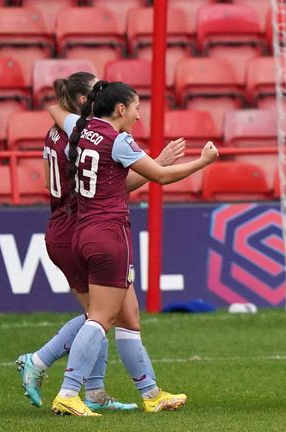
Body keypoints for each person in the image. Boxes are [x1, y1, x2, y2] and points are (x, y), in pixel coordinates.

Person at [46, 80, 218, 416]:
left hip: (82, 231)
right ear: (121, 109)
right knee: (99, 319)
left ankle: (152, 393)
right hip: (110, 234)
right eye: (137, 107)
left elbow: (56, 110)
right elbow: (161, 178)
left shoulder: (82, 128)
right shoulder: (117, 139)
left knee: (129, 317)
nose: (140, 115)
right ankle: (68, 392)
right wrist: (203, 162)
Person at [15, 72, 185, 412]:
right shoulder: (85, 135)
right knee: (103, 315)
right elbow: (110, 188)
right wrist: (159, 166)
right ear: (84, 102)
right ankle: (42, 364)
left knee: (122, 314)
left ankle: (109, 392)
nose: (103, 94)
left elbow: (54, 175)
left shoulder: (60, 132)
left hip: (68, 225)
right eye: (97, 90)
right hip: (80, 226)